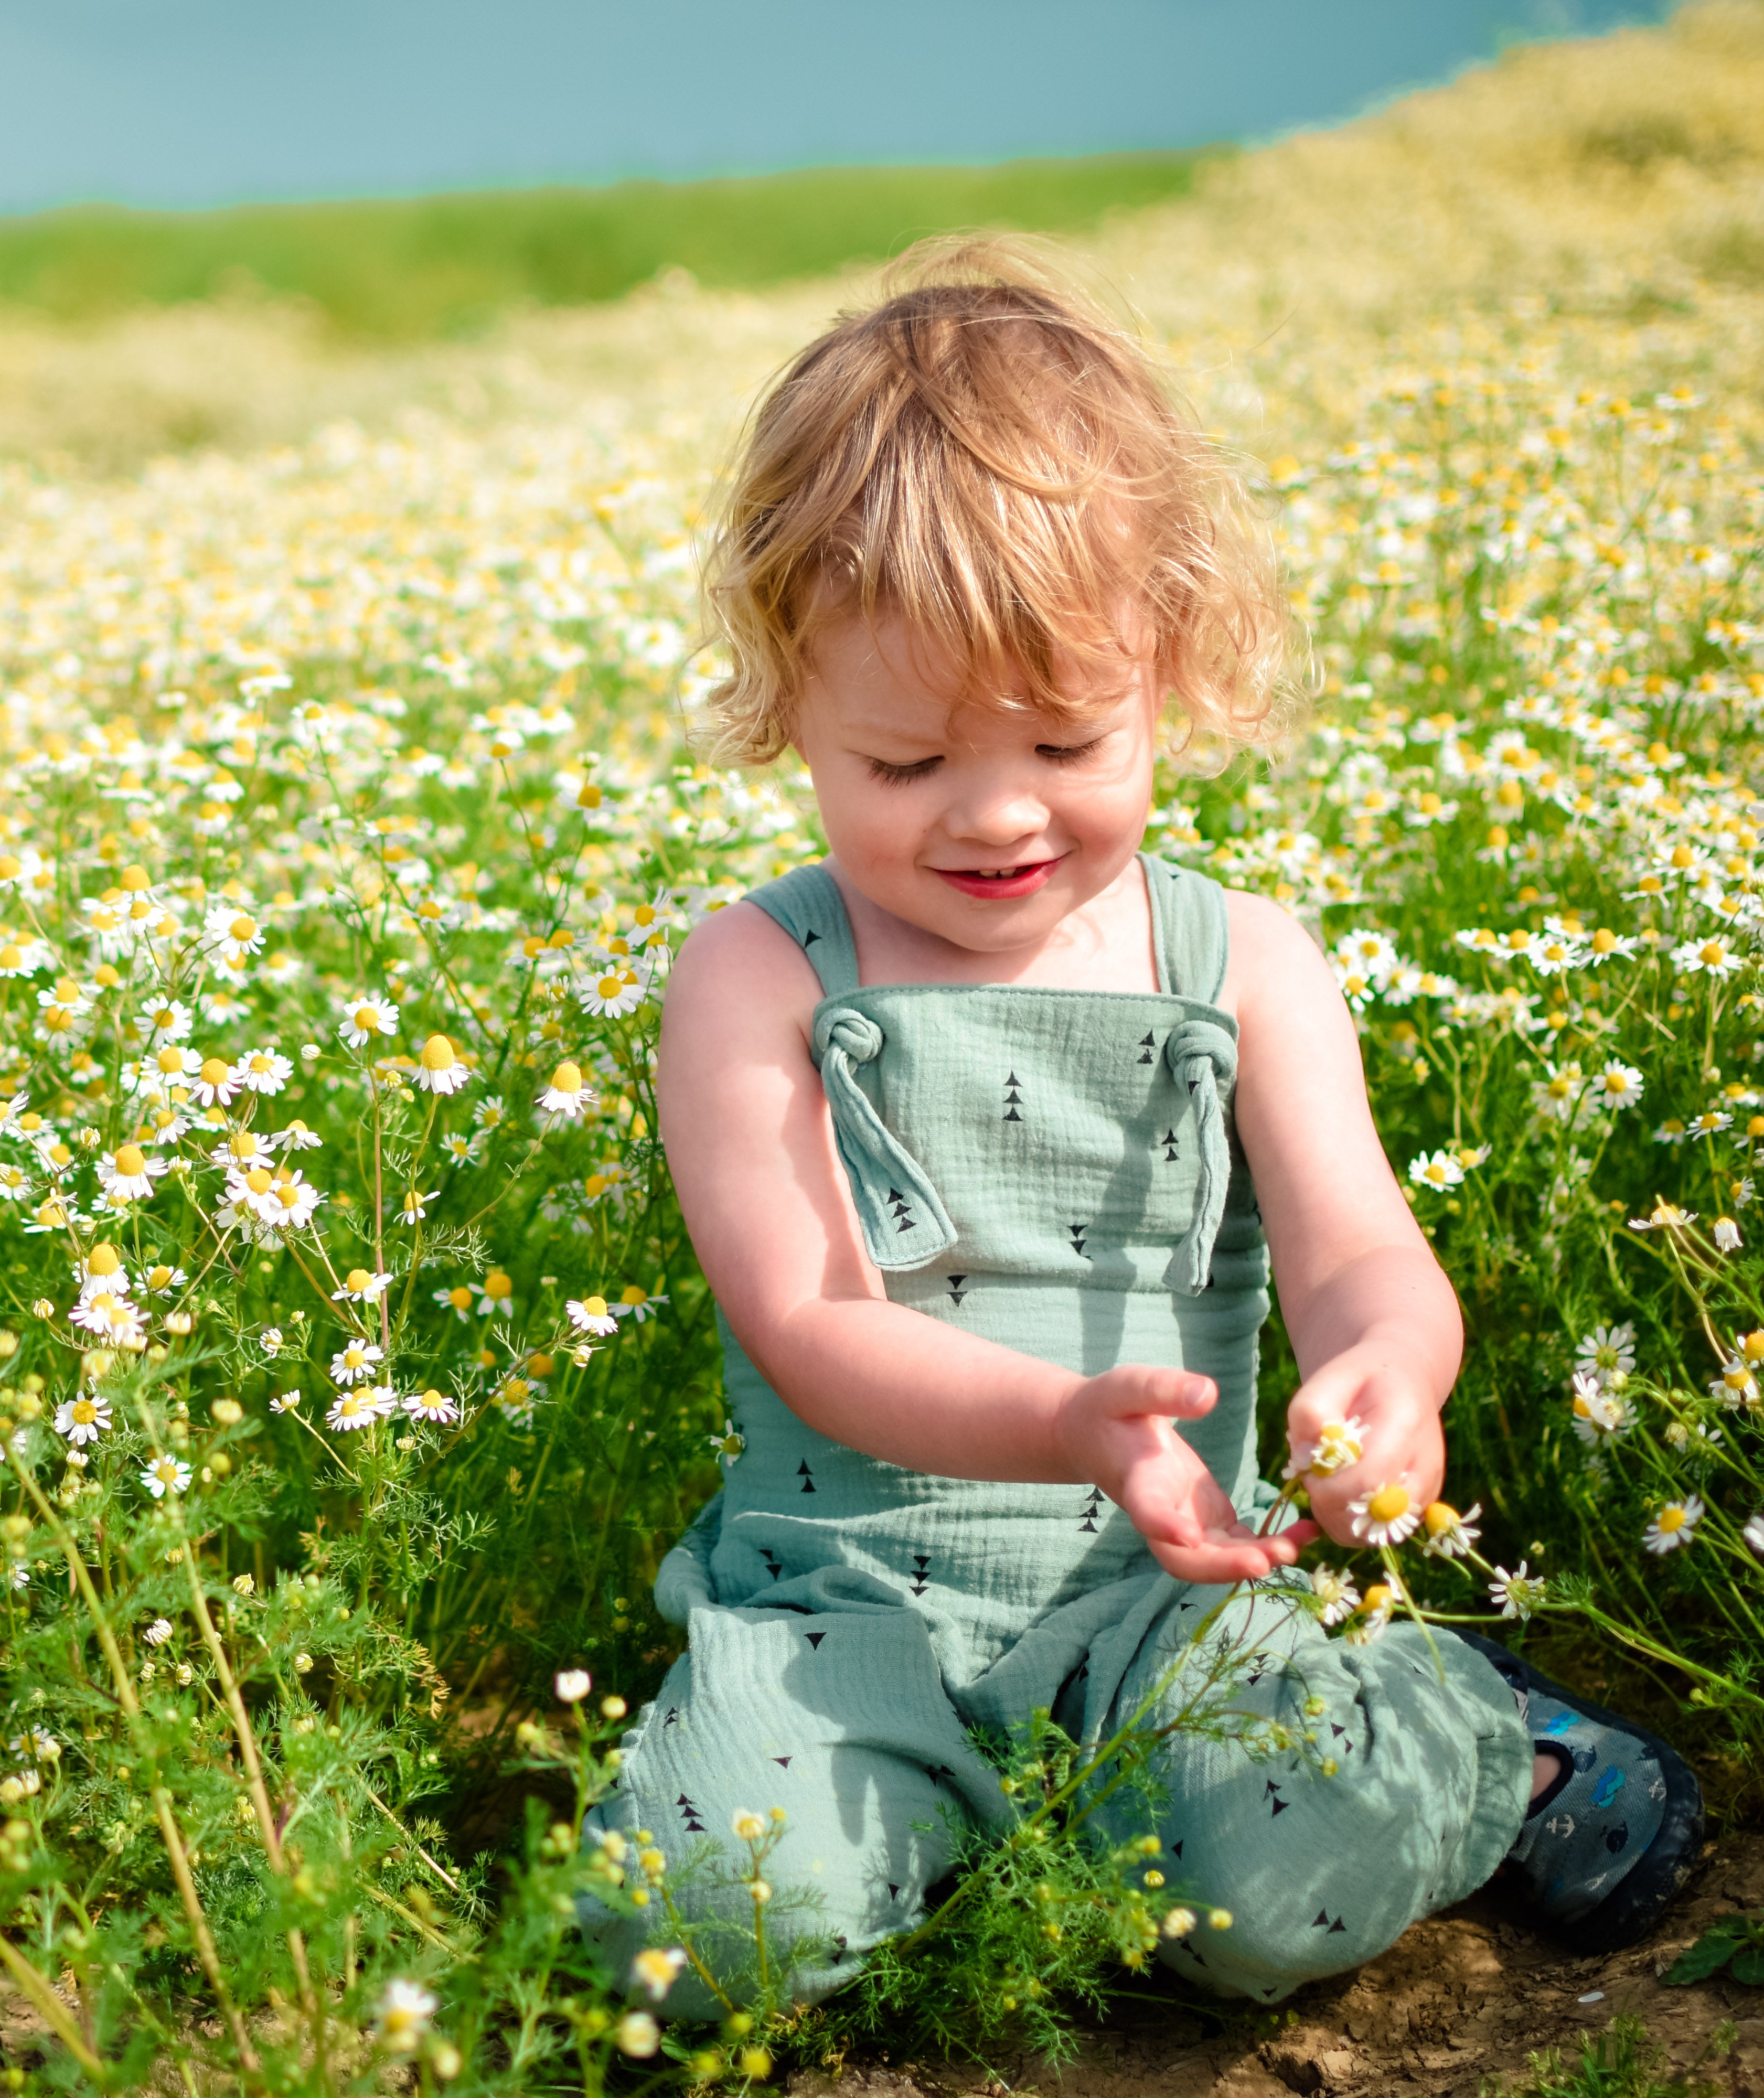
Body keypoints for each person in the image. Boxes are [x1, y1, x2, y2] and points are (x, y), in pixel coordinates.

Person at [579, 234, 1703, 2013]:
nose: (998, 816)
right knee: (691, 1939)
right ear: (790, 699)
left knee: (1276, 1895)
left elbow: (1358, 1259)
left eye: (1069, 743)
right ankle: (940, 1825)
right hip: (840, 1608)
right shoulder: (757, 974)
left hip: (1171, 1601)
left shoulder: (1241, 961)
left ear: (1171, 664)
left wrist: (1387, 1379)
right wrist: (1068, 1422)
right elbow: (808, 1327)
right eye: (906, 765)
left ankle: (1480, 1741)